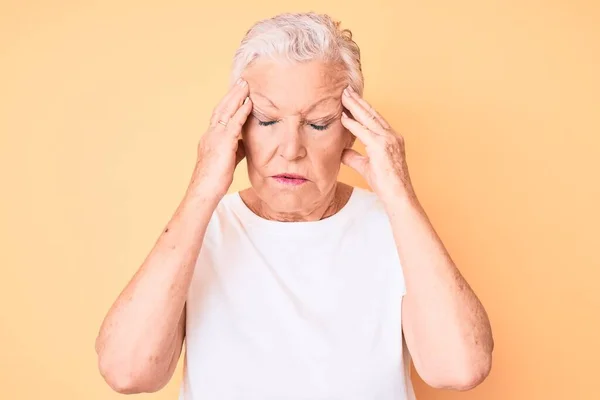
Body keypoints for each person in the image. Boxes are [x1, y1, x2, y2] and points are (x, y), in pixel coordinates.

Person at [95, 12, 494, 400]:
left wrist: (401, 196)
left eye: (319, 123)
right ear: (238, 127)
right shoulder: (198, 229)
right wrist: (201, 189)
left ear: (351, 131)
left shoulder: (394, 227)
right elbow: (128, 373)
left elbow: (459, 369)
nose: (290, 150)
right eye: (267, 120)